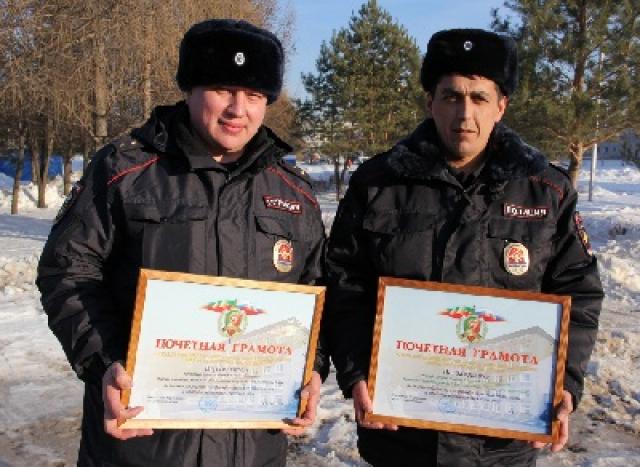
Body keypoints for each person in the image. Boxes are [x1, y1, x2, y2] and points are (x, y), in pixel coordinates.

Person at [37, 19, 327, 467]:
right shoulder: (123, 171)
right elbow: (69, 272)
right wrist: (105, 362)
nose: (238, 109)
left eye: (254, 95)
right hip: (140, 445)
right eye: (222, 89)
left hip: (252, 448)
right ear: (190, 89)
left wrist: (311, 368)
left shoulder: (293, 192)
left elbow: (316, 293)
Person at [324, 28, 603, 466]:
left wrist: (563, 383)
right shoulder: (378, 184)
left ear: (501, 106)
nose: (464, 114)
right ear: (430, 102)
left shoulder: (546, 191)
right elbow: (346, 283)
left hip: (500, 444)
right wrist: (358, 368)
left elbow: (577, 290)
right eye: (451, 97)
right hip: (402, 437)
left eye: (479, 98)